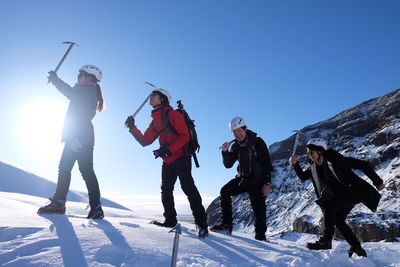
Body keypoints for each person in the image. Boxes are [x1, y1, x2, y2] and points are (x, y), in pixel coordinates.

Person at [124, 88, 209, 238]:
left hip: (182, 157)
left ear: (162, 99)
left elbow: (185, 137)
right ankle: (170, 221)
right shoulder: (155, 120)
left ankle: (202, 225)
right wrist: (132, 128)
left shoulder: (173, 114)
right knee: (166, 190)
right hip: (168, 160)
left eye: (154, 95)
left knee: (188, 187)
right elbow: (145, 141)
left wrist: (168, 150)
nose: (151, 97)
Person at [289, 138, 385, 257]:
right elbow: (303, 176)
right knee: (339, 220)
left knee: (329, 205)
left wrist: (378, 182)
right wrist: (295, 164)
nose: (309, 155)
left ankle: (326, 241)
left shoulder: (336, 159)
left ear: (320, 151)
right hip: (339, 196)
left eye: (311, 153)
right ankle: (357, 248)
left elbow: (362, 164)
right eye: (308, 153)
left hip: (352, 193)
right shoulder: (314, 166)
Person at [38, 65, 105, 219]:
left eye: (81, 75)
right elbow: (70, 94)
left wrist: (55, 80)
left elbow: (78, 108)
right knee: (85, 171)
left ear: (90, 78)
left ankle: (59, 203)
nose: (78, 77)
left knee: (66, 168)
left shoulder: (87, 93)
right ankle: (96, 207)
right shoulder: (86, 92)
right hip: (81, 137)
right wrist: (55, 80)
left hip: (79, 137)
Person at [210, 117, 273, 241]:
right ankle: (227, 225)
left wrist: (267, 183)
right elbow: (228, 165)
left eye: (239, 131)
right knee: (225, 191)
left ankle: (261, 237)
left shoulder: (258, 142)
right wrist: (225, 152)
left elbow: (267, 163)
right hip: (243, 179)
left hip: (257, 181)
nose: (237, 134)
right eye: (234, 132)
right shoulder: (235, 146)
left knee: (259, 210)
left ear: (245, 129)